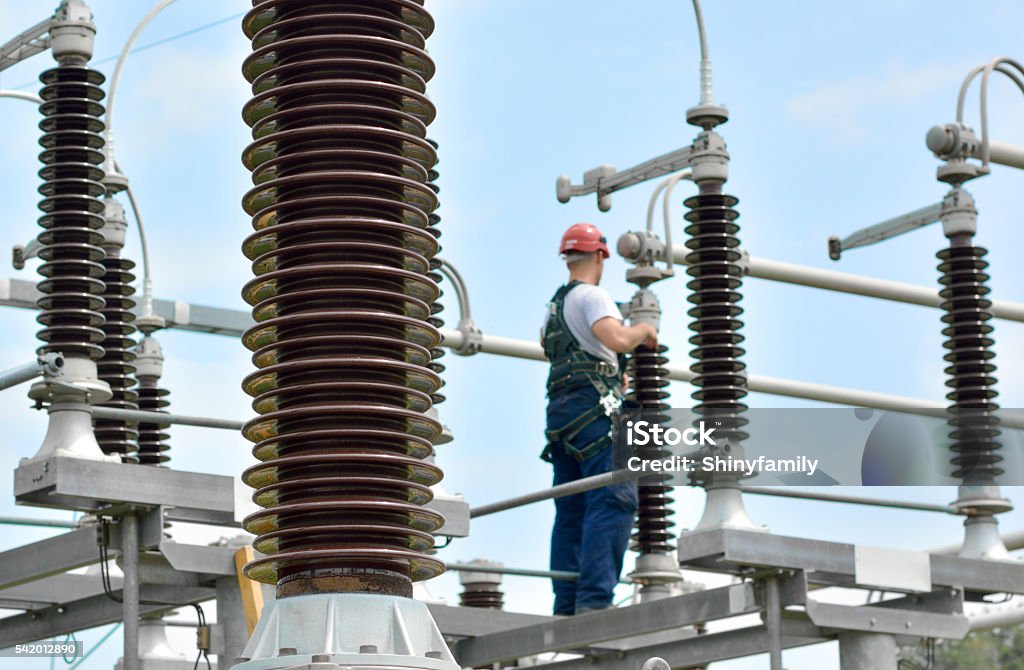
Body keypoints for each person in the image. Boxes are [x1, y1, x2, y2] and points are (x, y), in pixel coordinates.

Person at [540, 222, 658, 615]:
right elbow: (617, 339)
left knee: (571, 506)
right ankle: (594, 601)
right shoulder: (593, 296)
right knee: (613, 497)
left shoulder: (554, 306)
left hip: (561, 415)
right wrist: (643, 328)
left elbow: (563, 351)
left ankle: (567, 602)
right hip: (594, 413)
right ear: (600, 256)